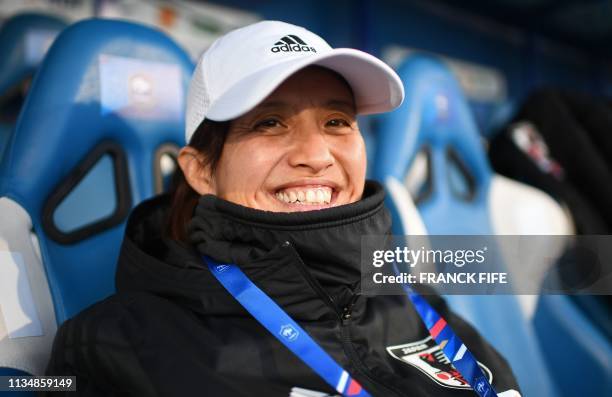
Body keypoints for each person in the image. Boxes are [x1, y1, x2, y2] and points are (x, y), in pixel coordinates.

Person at [46, 21, 521, 397]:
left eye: (336, 121)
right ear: (199, 170)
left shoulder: (415, 296)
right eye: (270, 122)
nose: (316, 155)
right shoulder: (116, 346)